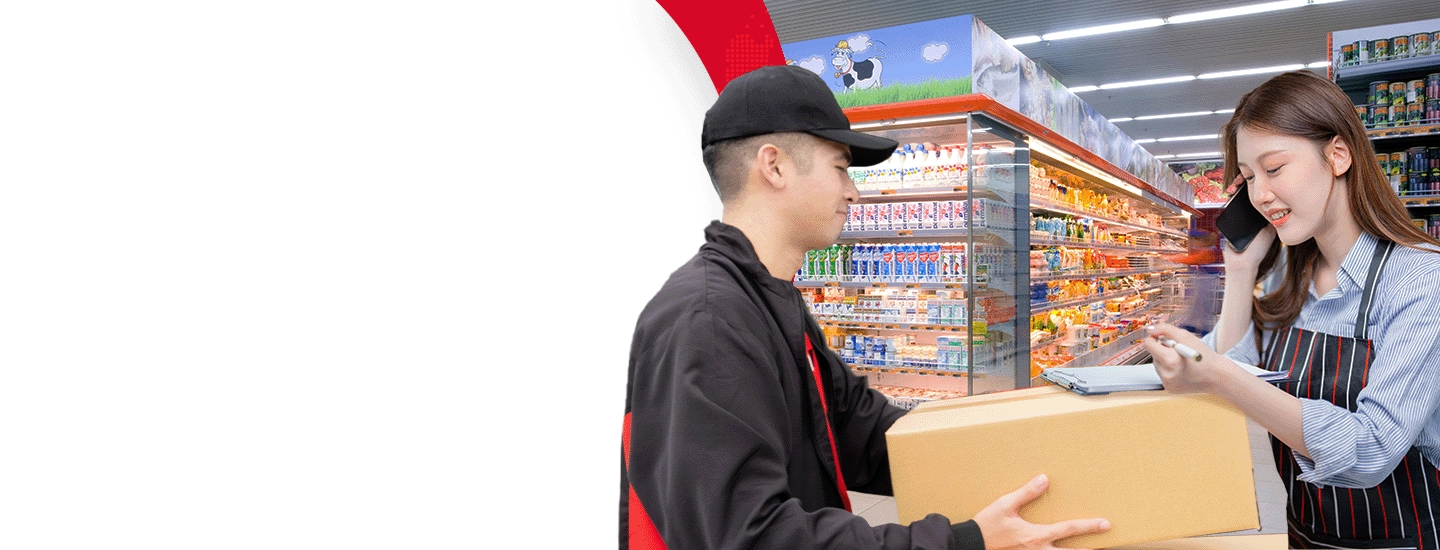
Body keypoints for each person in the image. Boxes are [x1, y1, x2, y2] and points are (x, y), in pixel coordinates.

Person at [620, 65, 1110, 549]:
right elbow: (752, 537)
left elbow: (862, 431)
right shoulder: (707, 320)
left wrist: (1021, 452)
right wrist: (962, 542)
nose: (852, 191)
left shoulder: (771, 301)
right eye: (839, 167)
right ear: (774, 166)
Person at [1143, 70, 1440, 550]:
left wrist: (1216, 375)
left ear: (1337, 155)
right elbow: (1239, 375)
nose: (1260, 195)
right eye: (1250, 178)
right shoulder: (1287, 277)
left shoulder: (1420, 281)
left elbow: (1370, 450)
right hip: (1303, 534)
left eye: (1275, 168)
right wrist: (1240, 270)